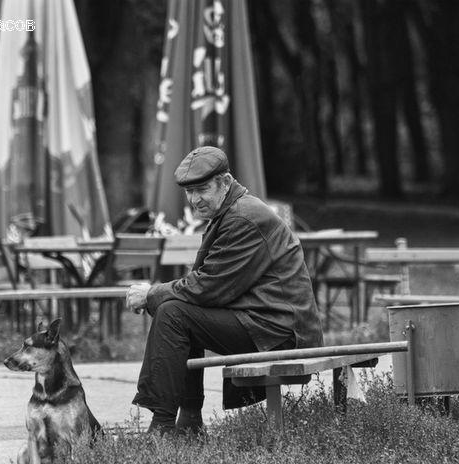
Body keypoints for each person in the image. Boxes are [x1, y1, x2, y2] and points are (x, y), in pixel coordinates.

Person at [125, 146, 324, 434]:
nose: (195, 199)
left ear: (226, 182)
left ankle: (165, 428)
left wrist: (151, 294)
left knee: (174, 313)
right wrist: (163, 294)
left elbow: (209, 287)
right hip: (266, 323)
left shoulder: (243, 217)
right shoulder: (232, 211)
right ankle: (187, 423)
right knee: (177, 309)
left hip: (281, 333)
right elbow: (206, 286)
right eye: (189, 191)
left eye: (202, 189)